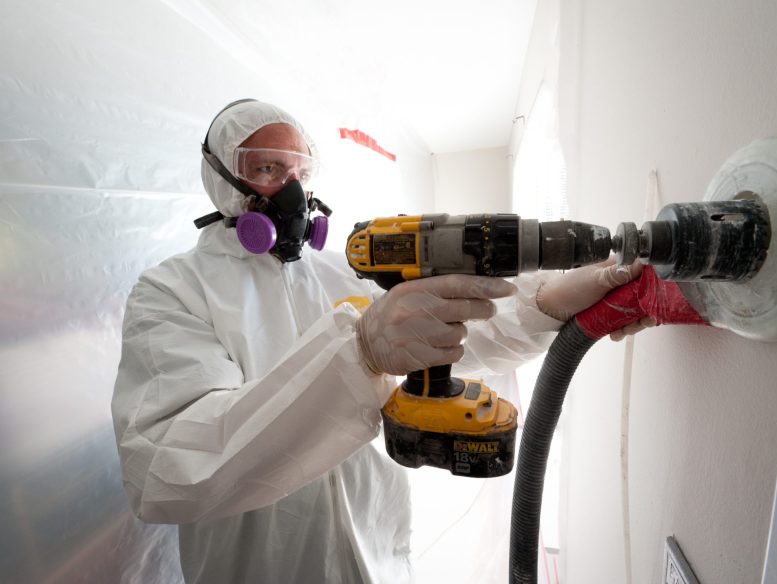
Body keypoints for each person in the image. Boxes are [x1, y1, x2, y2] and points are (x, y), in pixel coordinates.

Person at [111, 99, 650, 584]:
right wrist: (360, 351)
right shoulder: (172, 292)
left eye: (301, 171)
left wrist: (547, 302)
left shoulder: (336, 275)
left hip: (378, 559)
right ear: (226, 181)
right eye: (270, 168)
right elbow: (169, 468)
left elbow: (455, 331)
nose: (295, 191)